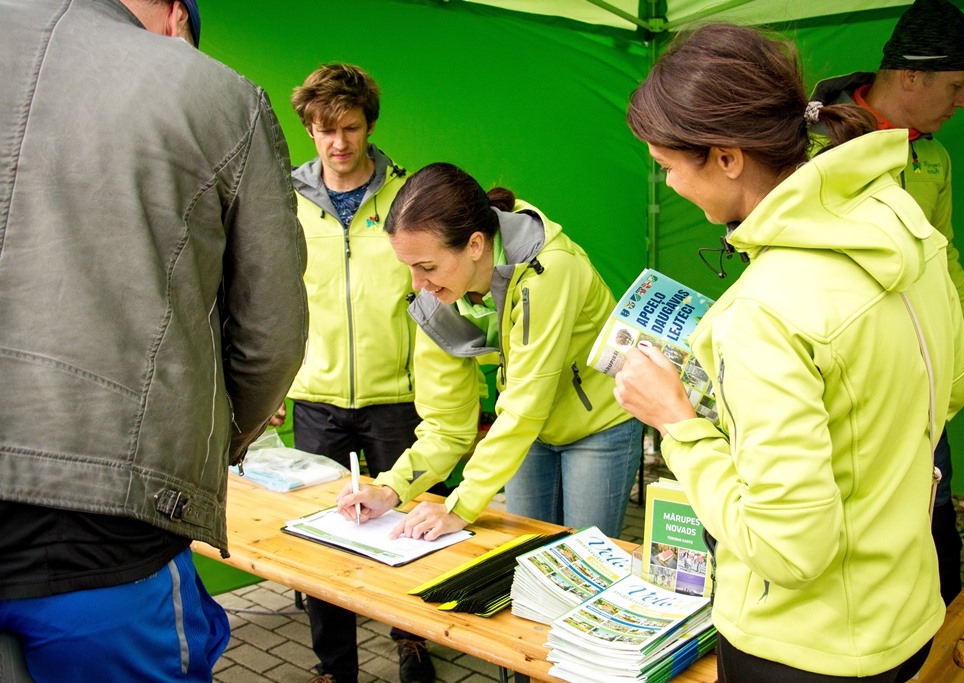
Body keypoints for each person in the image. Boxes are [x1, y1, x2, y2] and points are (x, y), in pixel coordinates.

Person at [614, 23, 964, 682]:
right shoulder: (902, 222)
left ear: (727, 157)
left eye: (667, 167)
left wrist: (677, 422)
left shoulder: (763, 310)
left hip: (802, 649)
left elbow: (788, 546)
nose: (669, 188)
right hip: (905, 614)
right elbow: (946, 390)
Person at [0, 0, 307, 681]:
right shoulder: (212, 92)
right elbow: (273, 335)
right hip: (103, 530)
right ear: (176, 18)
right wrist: (210, 442)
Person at [809, 0, 964, 606]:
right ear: (912, 76)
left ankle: (936, 635)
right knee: (852, 507)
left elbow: (942, 255)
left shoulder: (935, 158)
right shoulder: (818, 139)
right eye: (958, 86)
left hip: (921, 369)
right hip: (845, 369)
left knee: (934, 507)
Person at [336, 162, 643, 545]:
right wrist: (391, 489)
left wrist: (459, 506)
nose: (417, 284)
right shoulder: (436, 293)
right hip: (526, 431)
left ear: (475, 244)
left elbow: (527, 402)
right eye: (409, 268)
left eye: (427, 266)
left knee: (581, 561)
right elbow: (446, 425)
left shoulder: (550, 269)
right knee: (523, 560)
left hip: (597, 424)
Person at [279, 63, 437, 683]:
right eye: (323, 130)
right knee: (325, 537)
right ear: (310, 130)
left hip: (398, 395)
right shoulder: (283, 198)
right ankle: (333, 666)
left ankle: (414, 638)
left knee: (412, 525)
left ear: (369, 125)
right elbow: (271, 294)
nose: (338, 143)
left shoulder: (407, 195)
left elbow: (433, 291)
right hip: (315, 396)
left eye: (349, 127)